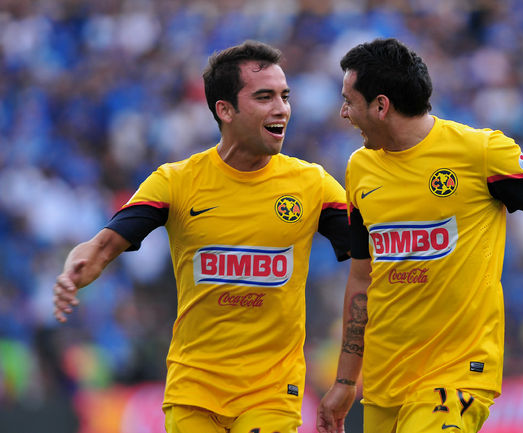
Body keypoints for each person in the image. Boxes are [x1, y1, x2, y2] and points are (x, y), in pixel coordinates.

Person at [52, 40, 350, 433]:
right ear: (225, 110)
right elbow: (104, 244)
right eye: (264, 97)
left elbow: (370, 252)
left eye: (284, 96)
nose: (281, 108)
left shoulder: (312, 185)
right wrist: (77, 267)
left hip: (272, 394)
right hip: (194, 392)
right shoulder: (177, 182)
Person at [317, 38, 523, 433]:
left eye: (349, 101)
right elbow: (362, 278)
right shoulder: (360, 168)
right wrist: (345, 380)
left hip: (457, 374)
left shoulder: (481, 152)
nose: (343, 112)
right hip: (384, 380)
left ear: (381, 105)